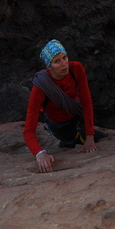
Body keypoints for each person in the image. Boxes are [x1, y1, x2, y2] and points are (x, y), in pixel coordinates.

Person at [24, 39, 106, 173]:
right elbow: (28, 131)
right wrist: (40, 154)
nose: (63, 64)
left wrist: (90, 136)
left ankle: (72, 141)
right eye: (57, 61)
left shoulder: (76, 69)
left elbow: (86, 101)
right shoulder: (40, 88)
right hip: (60, 127)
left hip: (77, 117)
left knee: (101, 138)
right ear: (48, 67)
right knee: (72, 141)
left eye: (64, 57)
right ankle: (68, 142)